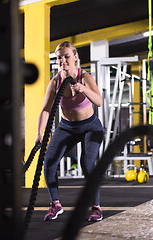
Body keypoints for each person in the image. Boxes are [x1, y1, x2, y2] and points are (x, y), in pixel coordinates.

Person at [35, 41, 104, 222]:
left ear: (75, 58)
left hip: (90, 126)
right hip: (67, 127)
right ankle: (55, 204)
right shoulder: (55, 81)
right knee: (49, 161)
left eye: (66, 56)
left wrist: (83, 89)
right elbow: (45, 110)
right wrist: (40, 134)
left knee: (87, 164)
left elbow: (99, 101)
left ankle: (96, 207)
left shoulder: (84, 77)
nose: (63, 60)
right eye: (59, 57)